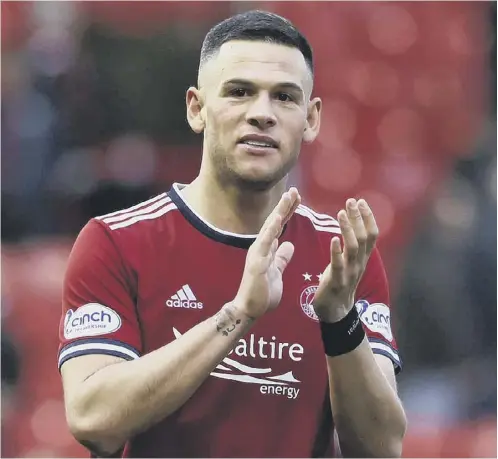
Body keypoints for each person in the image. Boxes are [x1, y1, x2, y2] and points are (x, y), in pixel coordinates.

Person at [58, 10, 407, 458]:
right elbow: (93, 421)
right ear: (196, 108)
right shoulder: (116, 242)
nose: (262, 113)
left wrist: (340, 320)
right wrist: (239, 313)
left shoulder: (340, 257)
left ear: (311, 119)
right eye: (240, 92)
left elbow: (381, 449)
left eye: (284, 97)